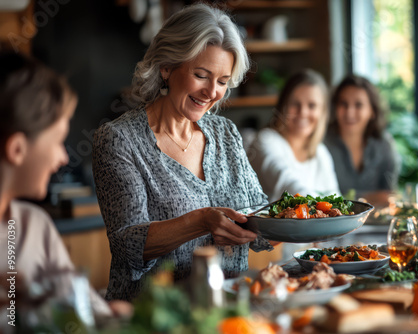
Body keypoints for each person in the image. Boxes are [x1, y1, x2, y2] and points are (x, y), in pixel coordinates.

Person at [92, 3, 271, 302]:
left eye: (223, 82)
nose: (212, 91)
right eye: (201, 75)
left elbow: (260, 212)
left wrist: (306, 219)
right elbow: (128, 246)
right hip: (153, 317)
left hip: (226, 310)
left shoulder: (225, 133)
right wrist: (202, 222)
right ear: (167, 67)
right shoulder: (119, 140)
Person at [0, 52, 130, 332]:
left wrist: (107, 314)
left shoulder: (35, 226)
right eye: (58, 141)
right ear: (17, 149)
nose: (62, 158)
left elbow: (80, 303)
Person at [248, 69, 341, 202]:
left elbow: (336, 198)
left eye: (312, 105)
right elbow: (288, 185)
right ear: (282, 106)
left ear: (323, 112)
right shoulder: (265, 140)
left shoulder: (320, 152)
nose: (303, 112)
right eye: (295, 104)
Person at [325, 74, 400, 208]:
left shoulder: (384, 145)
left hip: (377, 224)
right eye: (343, 104)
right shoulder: (322, 145)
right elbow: (318, 197)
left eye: (358, 105)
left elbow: (389, 196)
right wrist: (367, 197)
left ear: (372, 111)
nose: (349, 112)